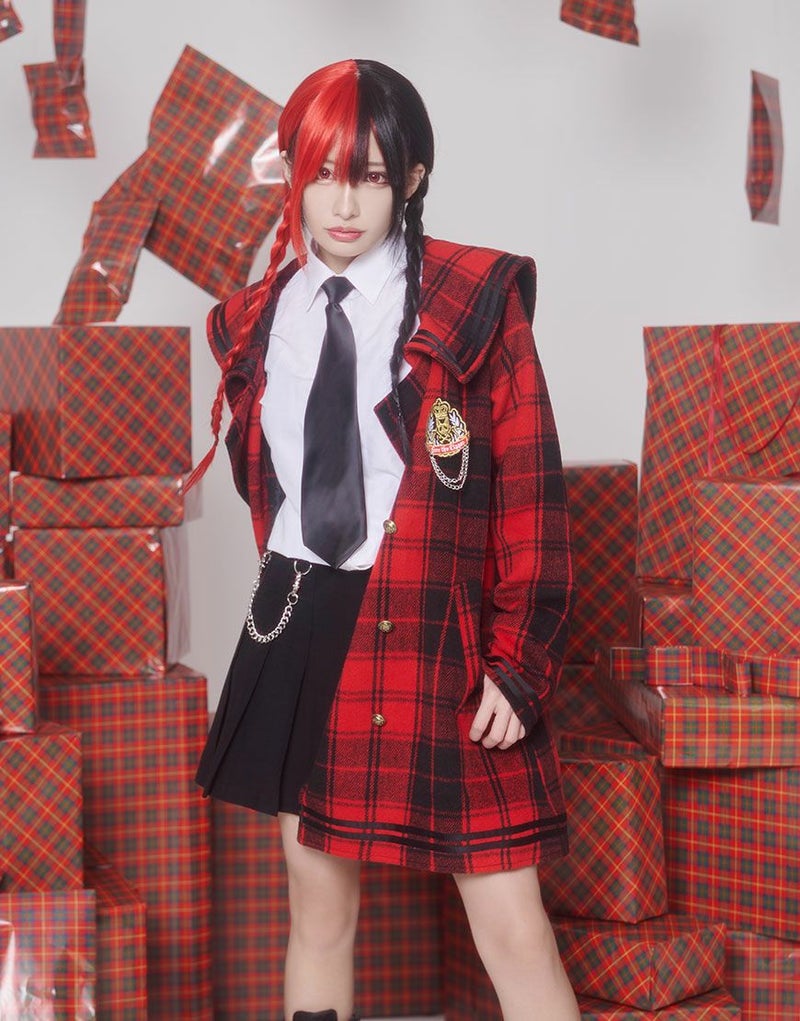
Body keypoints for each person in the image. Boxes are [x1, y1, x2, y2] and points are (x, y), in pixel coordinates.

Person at [193, 58, 579, 1021]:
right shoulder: (253, 322)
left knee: (511, 921)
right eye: (322, 173)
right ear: (294, 174)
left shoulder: (474, 299)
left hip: (437, 625)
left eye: (369, 176)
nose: (343, 204)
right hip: (303, 616)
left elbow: (531, 496)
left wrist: (519, 662)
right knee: (317, 907)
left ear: (410, 177)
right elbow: (269, 485)